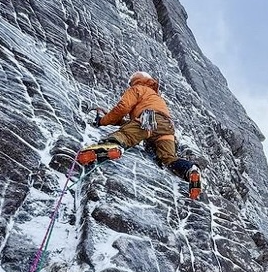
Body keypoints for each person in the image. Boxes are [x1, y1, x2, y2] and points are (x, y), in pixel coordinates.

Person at [78, 71, 202, 199]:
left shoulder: (137, 88)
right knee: (168, 158)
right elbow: (134, 123)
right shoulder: (156, 97)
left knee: (126, 136)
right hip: (167, 127)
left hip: (148, 118)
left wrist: (102, 121)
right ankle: (190, 170)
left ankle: (111, 147)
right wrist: (116, 120)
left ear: (135, 80)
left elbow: (123, 107)